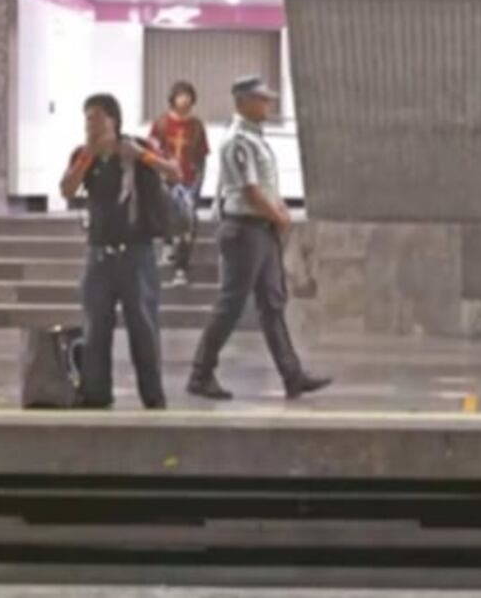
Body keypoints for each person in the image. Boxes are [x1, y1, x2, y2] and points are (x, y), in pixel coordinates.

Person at [185, 76, 331, 401]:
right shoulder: (238, 140)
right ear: (243, 102)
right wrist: (278, 216)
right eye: (261, 99)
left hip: (259, 229)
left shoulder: (255, 138)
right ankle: (200, 373)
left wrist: (277, 211)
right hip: (244, 230)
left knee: (272, 304)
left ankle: (292, 376)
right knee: (230, 304)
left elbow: (262, 187)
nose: (268, 104)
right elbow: (249, 192)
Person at [60, 94, 183, 410]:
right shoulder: (83, 155)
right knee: (95, 327)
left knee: (143, 326)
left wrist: (143, 157)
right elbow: (67, 189)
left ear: (114, 120)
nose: (92, 124)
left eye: (98, 117)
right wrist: (86, 156)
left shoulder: (138, 148)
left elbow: (174, 173)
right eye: (88, 118)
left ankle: (153, 395)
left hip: (136, 253)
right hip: (99, 254)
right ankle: (96, 393)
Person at [149, 80, 210, 287]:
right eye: (180, 95)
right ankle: (168, 245)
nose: (184, 99)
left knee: (189, 221)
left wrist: (198, 184)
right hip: (167, 181)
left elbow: (202, 157)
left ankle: (182, 268)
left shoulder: (197, 126)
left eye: (188, 95)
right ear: (173, 98)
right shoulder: (162, 123)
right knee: (168, 215)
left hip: (189, 182)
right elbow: (152, 151)